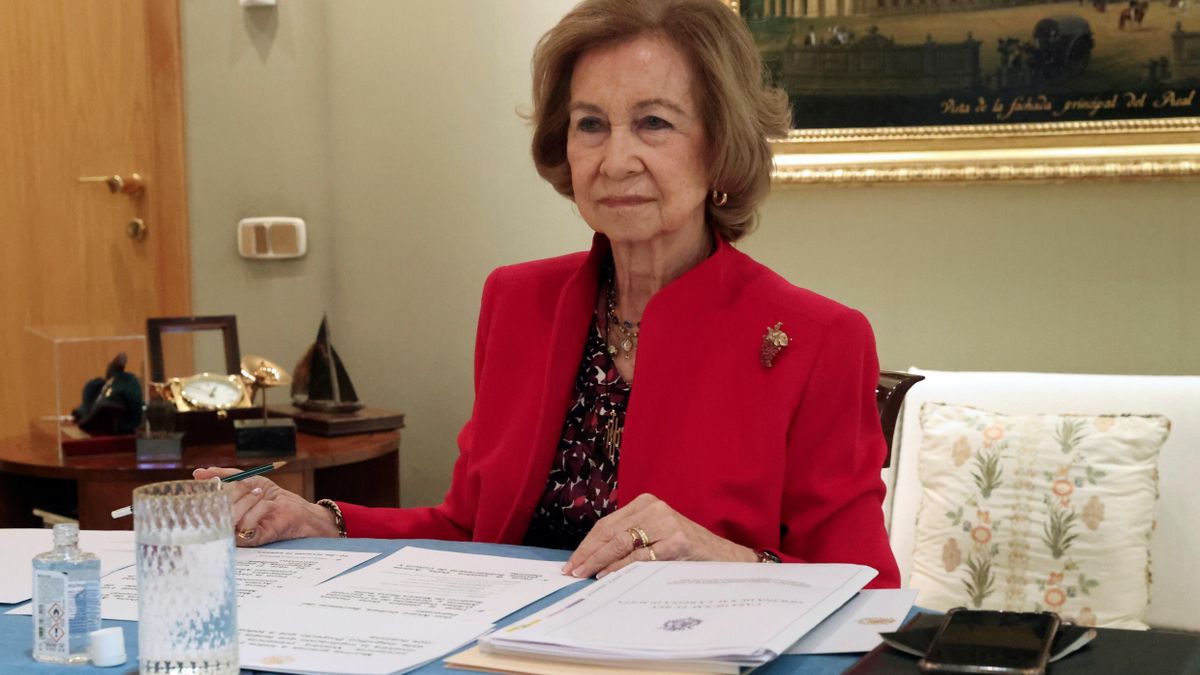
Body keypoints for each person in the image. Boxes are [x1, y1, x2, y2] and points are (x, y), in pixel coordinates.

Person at [196, 0, 901, 588]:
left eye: (654, 122)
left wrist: (720, 559)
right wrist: (326, 520)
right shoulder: (518, 302)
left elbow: (866, 587)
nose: (615, 158)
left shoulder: (816, 337)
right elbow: (469, 528)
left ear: (720, 144)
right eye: (590, 124)